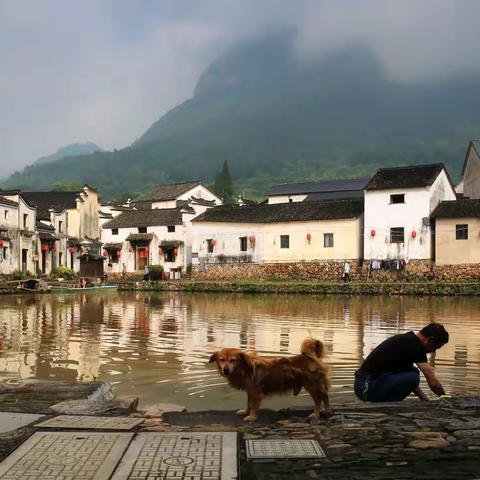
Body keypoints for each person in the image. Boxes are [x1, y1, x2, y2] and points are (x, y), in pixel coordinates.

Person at [354, 323, 449, 402]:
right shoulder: (415, 346)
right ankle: (386, 405)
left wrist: (425, 401)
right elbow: (432, 381)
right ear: (430, 340)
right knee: (413, 376)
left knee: (413, 372)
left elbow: (410, 384)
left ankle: (388, 403)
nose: (433, 351)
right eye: (435, 348)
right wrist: (445, 398)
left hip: (362, 387)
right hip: (366, 388)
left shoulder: (408, 341)